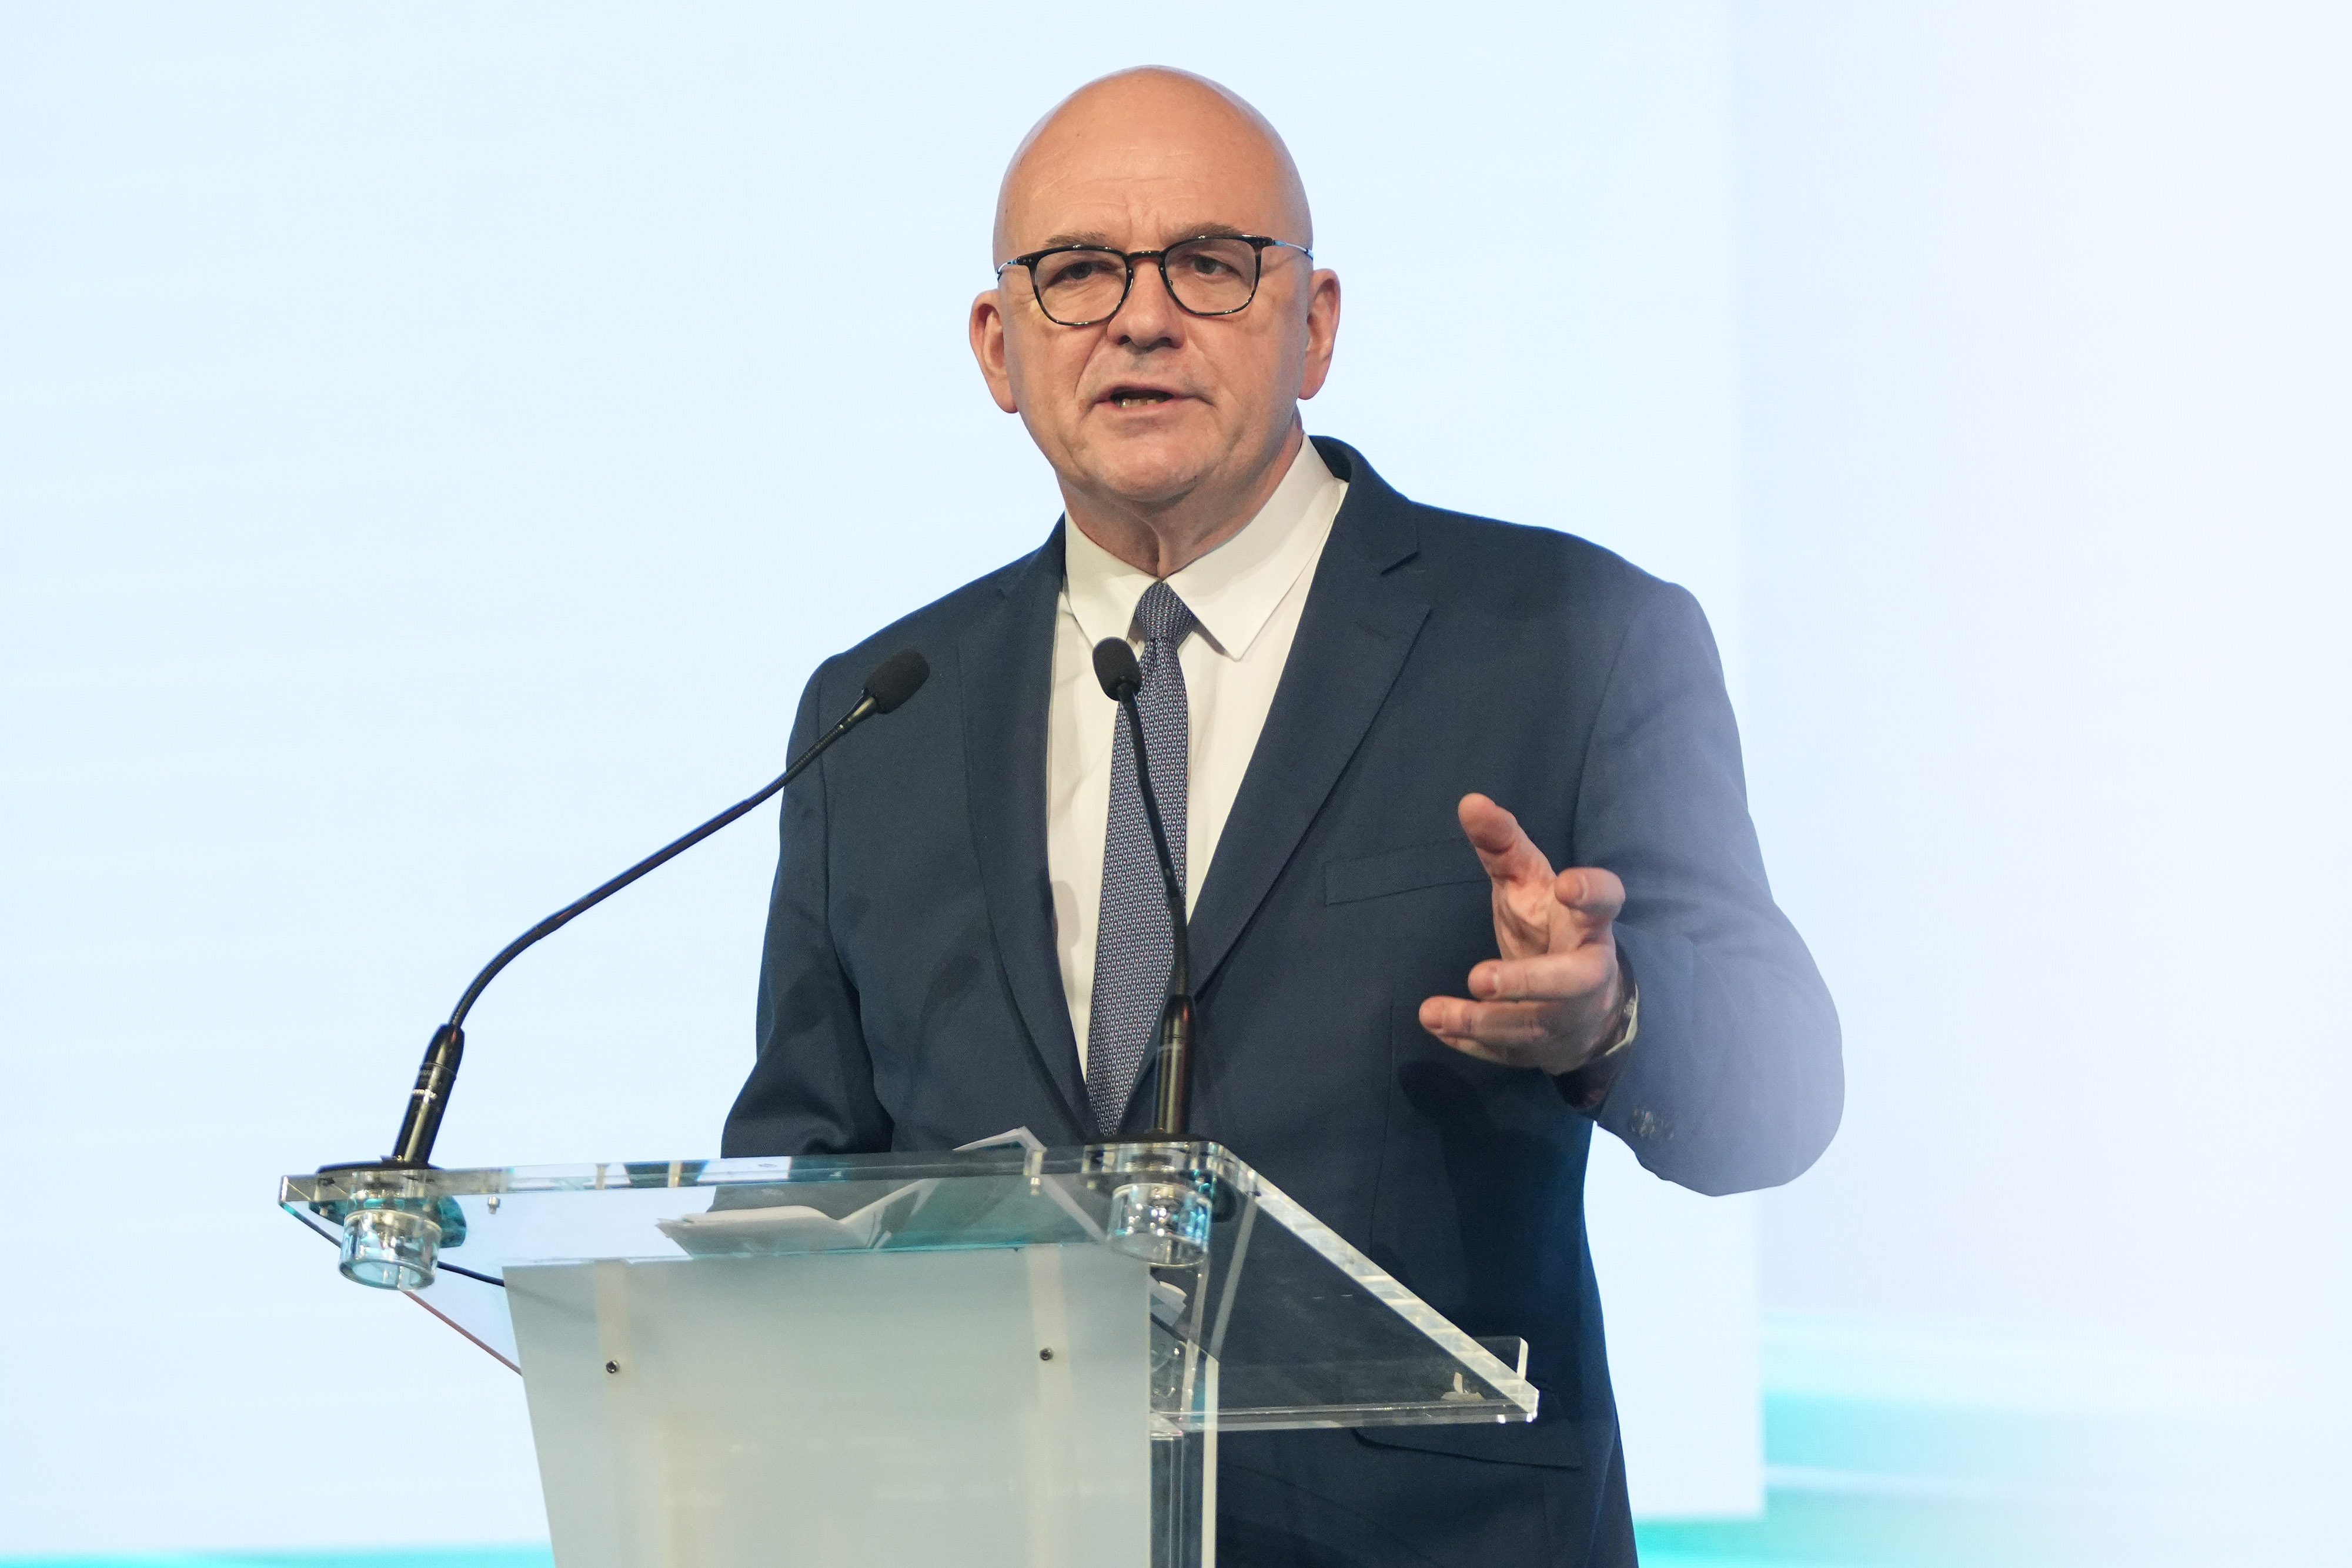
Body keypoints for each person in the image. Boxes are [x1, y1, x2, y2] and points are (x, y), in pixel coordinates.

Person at [724, 66, 1841, 1567]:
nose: (1139, 318)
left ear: (1313, 322)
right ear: (999, 346)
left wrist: (1613, 1016)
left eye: (1207, 262)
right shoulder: (880, 713)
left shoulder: (1567, 636)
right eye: (1077, 272)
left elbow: (1781, 1090)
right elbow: (802, 1191)